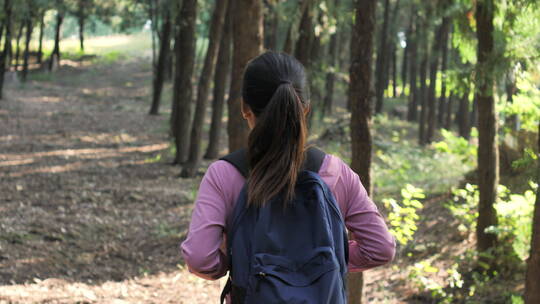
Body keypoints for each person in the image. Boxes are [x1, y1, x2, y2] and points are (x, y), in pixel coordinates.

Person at [181, 51, 395, 302]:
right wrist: (322, 262)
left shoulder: (224, 174)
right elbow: (381, 248)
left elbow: (199, 257)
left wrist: (243, 262)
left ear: (244, 107)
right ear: (305, 108)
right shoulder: (337, 173)